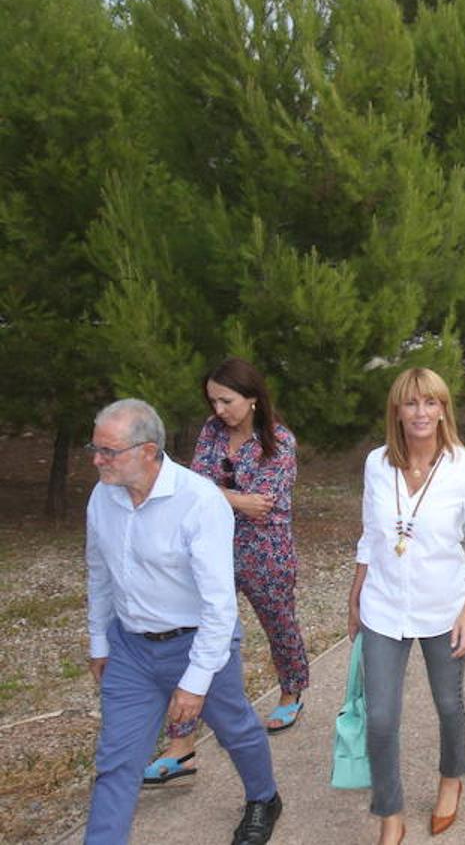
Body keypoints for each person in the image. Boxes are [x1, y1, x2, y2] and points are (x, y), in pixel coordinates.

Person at [84, 399, 281, 845]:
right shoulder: (103, 495)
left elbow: (219, 605)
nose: (97, 460)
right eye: (94, 449)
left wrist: (194, 682)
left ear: (148, 451)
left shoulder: (199, 501)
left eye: (108, 451)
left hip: (196, 643)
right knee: (117, 762)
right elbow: (99, 573)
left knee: (235, 729)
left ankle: (264, 797)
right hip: (130, 649)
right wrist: (99, 641)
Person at [146, 357, 308, 784]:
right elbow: (196, 491)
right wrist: (235, 498)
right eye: (213, 400)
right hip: (209, 551)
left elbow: (263, 504)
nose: (219, 410)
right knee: (196, 634)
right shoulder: (211, 432)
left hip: (266, 552)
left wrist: (218, 495)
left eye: (227, 400)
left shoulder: (280, 441)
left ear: (253, 398)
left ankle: (291, 690)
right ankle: (181, 746)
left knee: (279, 625)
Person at [346, 368, 465, 843]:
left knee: (449, 704)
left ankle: (451, 779)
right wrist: (355, 600)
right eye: (411, 403)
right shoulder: (376, 464)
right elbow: (370, 536)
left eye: (431, 402)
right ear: (397, 411)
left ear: (444, 409)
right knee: (382, 717)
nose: (421, 413)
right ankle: (390, 812)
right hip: (383, 608)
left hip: (443, 608)